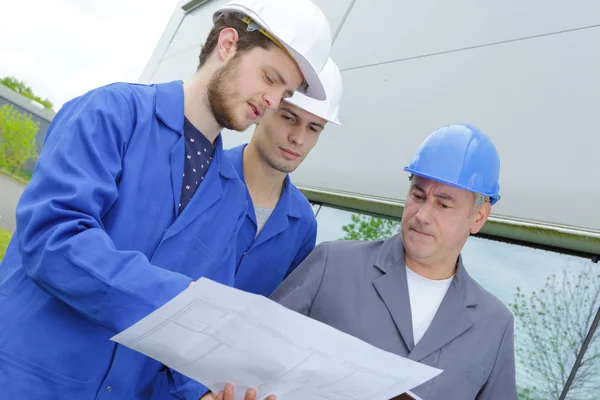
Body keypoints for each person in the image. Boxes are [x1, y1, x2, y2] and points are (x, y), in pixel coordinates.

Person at [0, 0, 332, 399]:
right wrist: (181, 303)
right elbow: (52, 242)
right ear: (228, 44)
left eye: (286, 92)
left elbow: (193, 342)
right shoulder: (113, 113)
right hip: (23, 381)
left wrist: (202, 392)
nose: (273, 101)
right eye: (269, 77)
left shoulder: (231, 199)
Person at [270, 124, 518, 399]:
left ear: (479, 217)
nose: (423, 215)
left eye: (443, 204)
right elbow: (252, 355)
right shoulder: (332, 265)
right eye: (418, 195)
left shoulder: (494, 325)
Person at [192, 57, 343, 400]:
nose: (298, 138)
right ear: (265, 108)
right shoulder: (202, 177)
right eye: (289, 117)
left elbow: (271, 325)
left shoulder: (303, 223)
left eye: (314, 128)